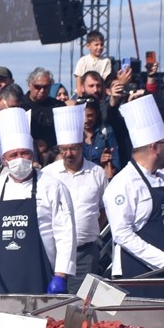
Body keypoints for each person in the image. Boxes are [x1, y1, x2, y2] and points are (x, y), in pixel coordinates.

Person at [0, 108, 76, 295]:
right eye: (13, 155)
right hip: (0, 279)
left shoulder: (53, 187)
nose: (19, 159)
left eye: (25, 153)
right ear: (4, 159)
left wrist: (61, 275)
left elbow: (66, 234)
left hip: (42, 276)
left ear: (33, 154)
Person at [103, 94, 164, 278]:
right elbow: (122, 233)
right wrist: (163, 261)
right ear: (155, 147)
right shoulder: (123, 184)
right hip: (138, 275)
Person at [44, 105, 108, 291]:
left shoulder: (97, 173)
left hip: (85, 252)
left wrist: (90, 228)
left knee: (82, 304)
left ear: (82, 146)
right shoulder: (48, 174)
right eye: (64, 149)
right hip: (54, 252)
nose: (69, 154)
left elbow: (104, 209)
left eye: (73, 148)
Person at [74, 29, 113, 96]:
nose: (99, 47)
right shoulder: (83, 60)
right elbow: (78, 80)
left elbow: (104, 80)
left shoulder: (106, 61)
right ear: (88, 46)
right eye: (96, 45)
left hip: (98, 93)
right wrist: (80, 96)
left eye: (101, 44)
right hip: (82, 94)